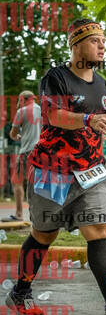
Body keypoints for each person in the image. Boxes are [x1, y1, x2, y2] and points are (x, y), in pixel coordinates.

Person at [6, 19, 106, 315]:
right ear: (76, 44)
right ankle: (20, 292)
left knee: (99, 231)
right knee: (44, 234)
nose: (102, 46)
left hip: (91, 172)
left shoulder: (101, 83)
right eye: (95, 40)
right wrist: (88, 120)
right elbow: (53, 114)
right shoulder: (56, 77)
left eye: (103, 40)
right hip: (52, 172)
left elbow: (98, 122)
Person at [9, 91, 41, 220]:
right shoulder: (43, 110)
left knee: (17, 181)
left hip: (27, 151)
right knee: (38, 183)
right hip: (42, 152)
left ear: (23, 99)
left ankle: (19, 214)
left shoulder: (21, 111)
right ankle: (40, 217)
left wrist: (17, 136)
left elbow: (13, 133)